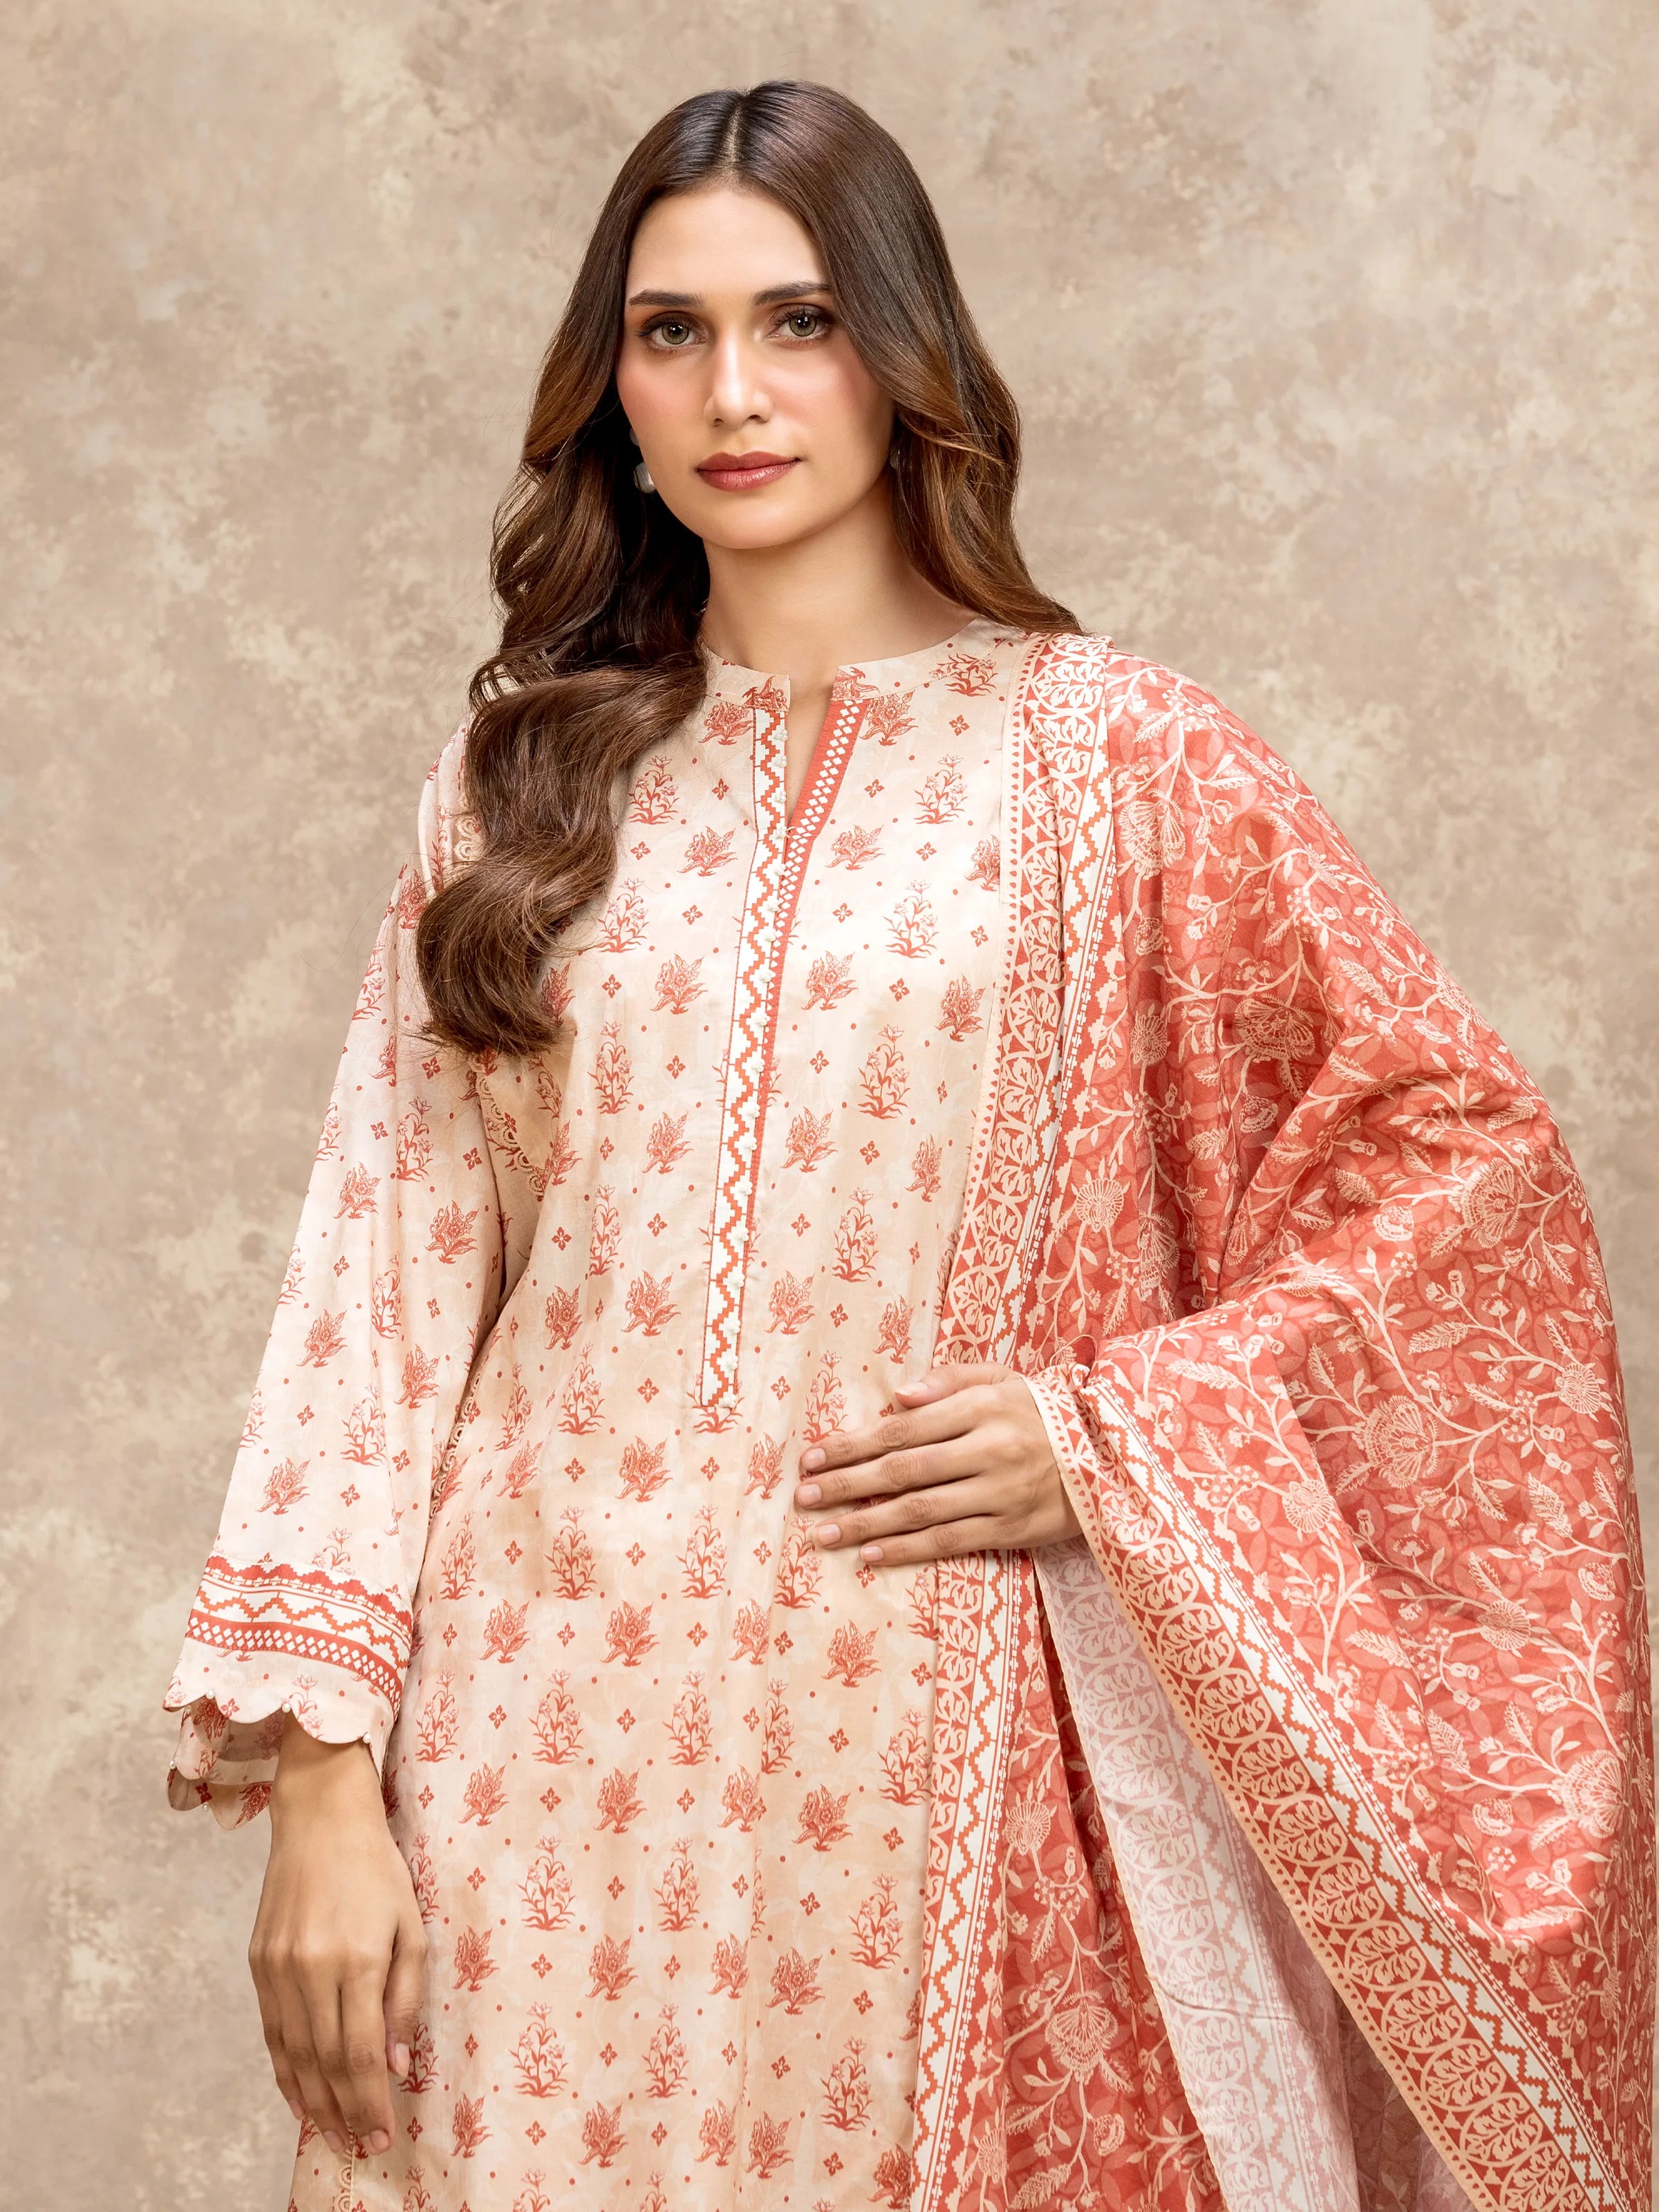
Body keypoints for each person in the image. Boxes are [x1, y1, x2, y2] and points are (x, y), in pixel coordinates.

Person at [165, 79, 1653, 2212]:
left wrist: (1113, 1437)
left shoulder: (1128, 764)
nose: (734, 392)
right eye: (670, 333)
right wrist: (326, 1792)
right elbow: (375, 1295)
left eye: (800, 322)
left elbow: (1463, 1181)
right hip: (527, 1774)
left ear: (902, 351)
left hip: (957, 1774)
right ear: (612, 392)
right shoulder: (520, 795)